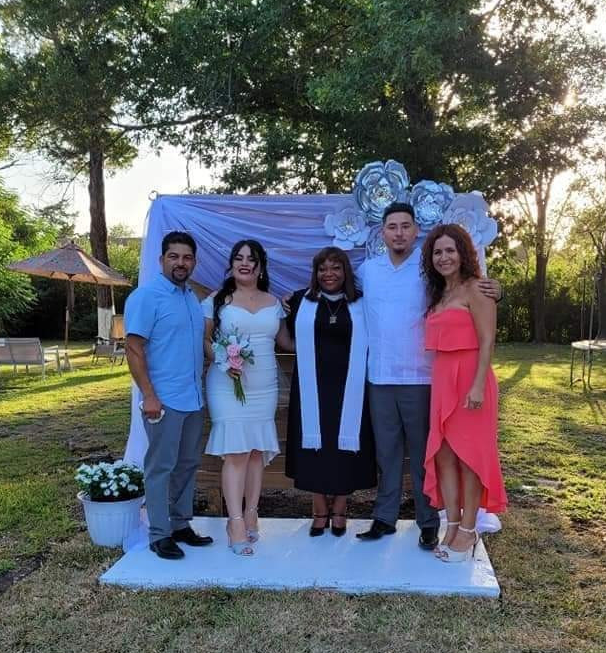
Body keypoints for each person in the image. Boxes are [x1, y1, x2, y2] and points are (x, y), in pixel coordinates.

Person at [356, 202, 501, 549]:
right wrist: (290, 301)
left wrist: (499, 289)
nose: (399, 233)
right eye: (392, 227)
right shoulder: (367, 270)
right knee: (387, 454)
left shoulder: (428, 272)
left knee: (427, 454)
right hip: (380, 376)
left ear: (416, 230)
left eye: (405, 226)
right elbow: (334, 288)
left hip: (422, 378)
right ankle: (384, 517)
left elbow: (469, 292)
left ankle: (428, 521)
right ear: (382, 232)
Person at [124, 230, 213, 560]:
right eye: (174, 256)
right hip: (163, 400)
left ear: (194, 263)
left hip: (193, 398)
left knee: (187, 464)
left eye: (187, 257)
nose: (180, 262)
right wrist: (149, 395)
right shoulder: (147, 297)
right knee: (161, 466)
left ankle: (180, 524)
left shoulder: (190, 298)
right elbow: (133, 348)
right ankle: (159, 534)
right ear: (161, 260)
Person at [421, 223, 507, 561]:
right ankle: (453, 523)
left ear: (463, 253)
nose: (444, 257)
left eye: (450, 250)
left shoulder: (478, 288)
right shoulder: (438, 294)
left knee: (469, 457)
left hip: (472, 377)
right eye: (437, 252)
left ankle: (470, 530)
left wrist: (478, 385)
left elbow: (487, 340)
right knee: (444, 455)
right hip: (443, 378)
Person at [202, 240, 293, 556]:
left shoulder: (274, 302)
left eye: (251, 259)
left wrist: (313, 328)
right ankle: (235, 522)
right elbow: (206, 339)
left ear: (260, 266)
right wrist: (222, 360)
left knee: (256, 452)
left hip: (265, 386)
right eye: (238, 258)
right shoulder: (217, 300)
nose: (244, 263)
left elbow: (285, 342)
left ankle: (252, 512)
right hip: (227, 384)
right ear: (231, 264)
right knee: (237, 452)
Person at [285, 247, 377, 536]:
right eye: (322, 268)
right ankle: (319, 510)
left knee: (344, 448)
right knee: (315, 447)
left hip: (351, 387)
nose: (329, 274)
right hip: (311, 387)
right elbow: (284, 338)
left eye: (336, 268)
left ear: (346, 272)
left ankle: (340, 509)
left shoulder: (362, 302)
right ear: (315, 273)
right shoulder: (299, 301)